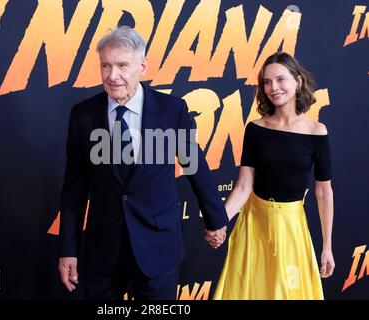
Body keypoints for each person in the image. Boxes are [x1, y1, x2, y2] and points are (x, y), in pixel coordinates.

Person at [58, 26, 228, 300]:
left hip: (158, 245)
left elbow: (194, 164)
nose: (113, 76)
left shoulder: (171, 110)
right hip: (104, 250)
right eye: (106, 65)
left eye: (122, 65)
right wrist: (68, 248)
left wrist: (216, 219)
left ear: (142, 66)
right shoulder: (83, 116)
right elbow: (74, 189)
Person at [211, 52, 335, 300]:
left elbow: (324, 192)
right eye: (267, 82)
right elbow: (244, 186)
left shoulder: (316, 132)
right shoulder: (256, 129)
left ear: (298, 81)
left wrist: (327, 247)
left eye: (280, 79)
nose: (273, 87)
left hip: (291, 227)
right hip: (252, 224)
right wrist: (219, 222)